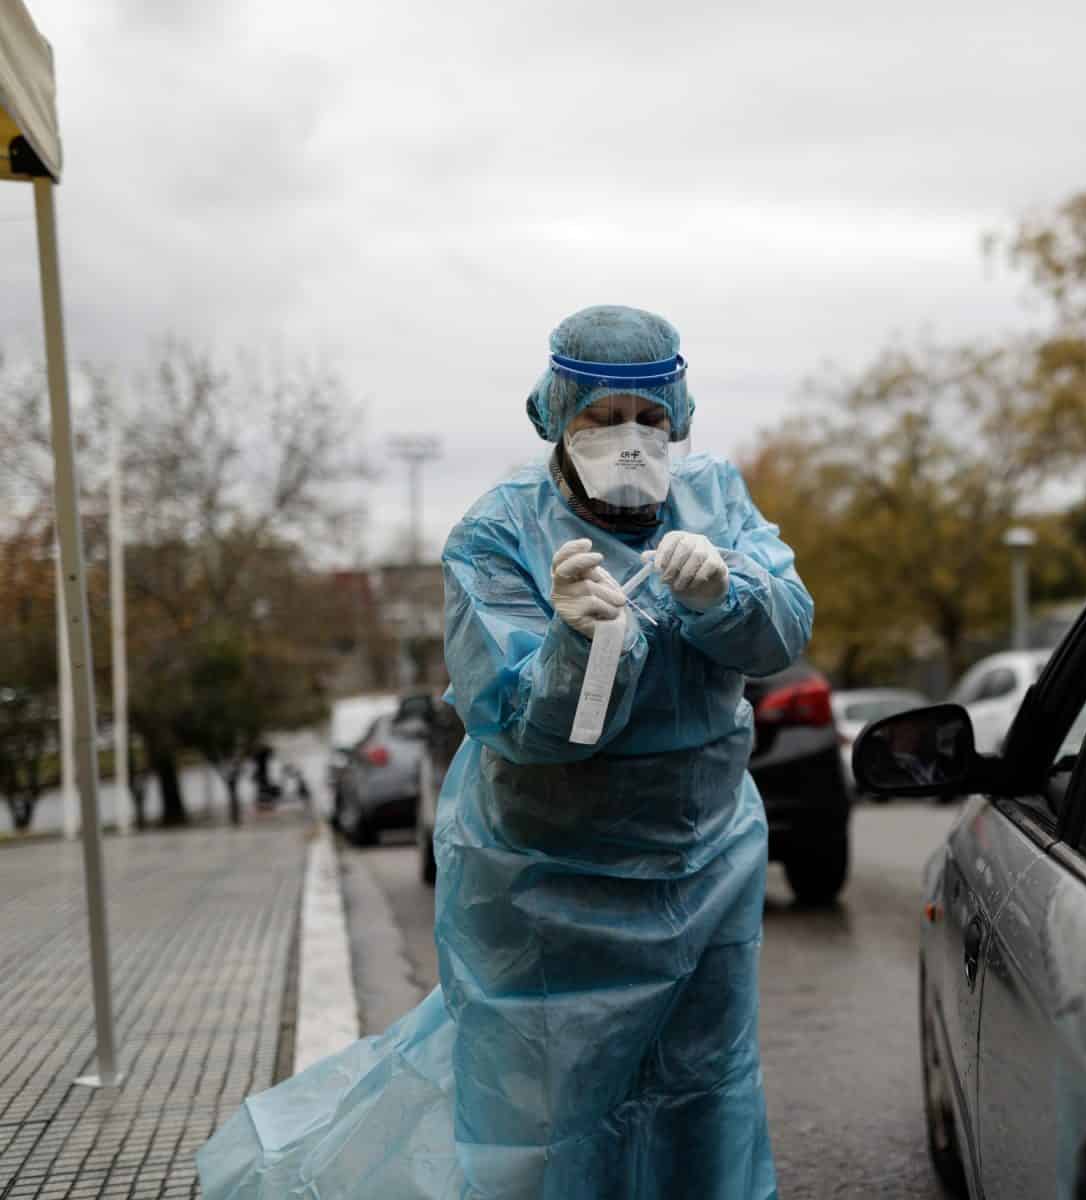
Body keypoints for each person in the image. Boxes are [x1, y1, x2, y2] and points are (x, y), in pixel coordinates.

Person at [197, 306, 812, 1199]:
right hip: (548, 884)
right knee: (540, 1127)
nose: (631, 438)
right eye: (603, 417)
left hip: (703, 865)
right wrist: (576, 644)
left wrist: (729, 594)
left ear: (679, 416)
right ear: (557, 416)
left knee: (701, 1095)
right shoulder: (496, 536)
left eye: (649, 416)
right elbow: (524, 728)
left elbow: (781, 632)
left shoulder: (715, 495)